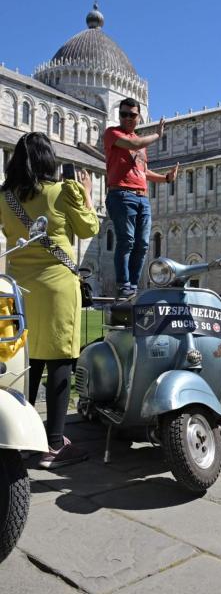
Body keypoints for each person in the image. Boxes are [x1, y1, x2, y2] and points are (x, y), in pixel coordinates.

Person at [0, 132, 99, 468]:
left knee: (27, 360)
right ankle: (53, 445)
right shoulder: (62, 191)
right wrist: (86, 194)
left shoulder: (5, 198)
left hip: (19, 288)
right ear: (48, 160)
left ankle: (22, 439)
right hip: (57, 285)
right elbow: (88, 230)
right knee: (59, 362)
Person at [104, 98, 178, 298]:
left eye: (132, 114)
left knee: (142, 244)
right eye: (123, 114)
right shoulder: (112, 134)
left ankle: (133, 286)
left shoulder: (141, 148)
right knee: (126, 240)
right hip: (121, 194)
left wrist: (166, 178)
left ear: (138, 117)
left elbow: (142, 172)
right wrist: (158, 135)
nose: (127, 118)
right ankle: (123, 284)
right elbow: (133, 142)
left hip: (142, 197)